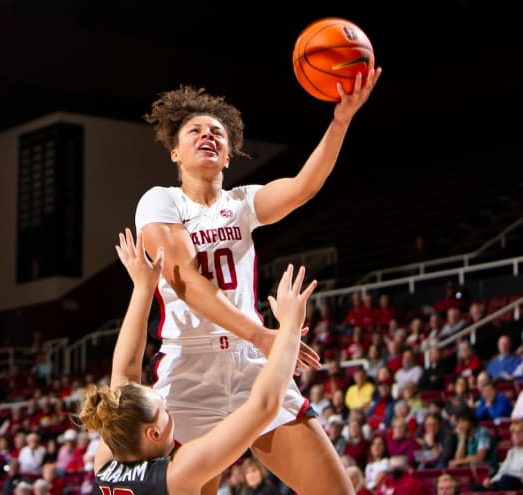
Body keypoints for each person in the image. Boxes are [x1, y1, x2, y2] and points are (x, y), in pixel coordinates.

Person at [134, 72, 381, 495]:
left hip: (252, 362)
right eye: (195, 131)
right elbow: (185, 280)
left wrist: (340, 121)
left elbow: (303, 188)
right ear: (175, 151)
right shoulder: (160, 201)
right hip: (190, 372)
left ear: (229, 155)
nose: (208, 135)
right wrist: (265, 335)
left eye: (217, 132)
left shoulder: (242, 202)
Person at [80, 229, 322, 495]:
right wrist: (289, 326)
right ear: (153, 434)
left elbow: (125, 374)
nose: (171, 411)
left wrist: (143, 286)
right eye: (166, 412)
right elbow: (264, 406)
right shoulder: (176, 475)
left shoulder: (107, 461)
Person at [481, 419, 523, 491]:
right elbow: (502, 472)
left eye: (519, 432)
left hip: (517, 481)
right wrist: (491, 481)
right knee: (480, 486)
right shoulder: (511, 452)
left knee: (505, 480)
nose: (516, 435)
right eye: (513, 432)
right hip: (505, 480)